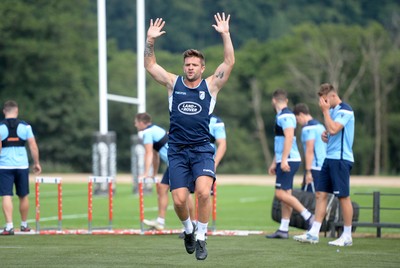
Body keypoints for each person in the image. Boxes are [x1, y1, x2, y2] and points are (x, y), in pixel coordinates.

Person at [144, 12, 234, 260]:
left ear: (202, 68)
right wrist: (150, 41)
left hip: (202, 149)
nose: (190, 68)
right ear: (183, 67)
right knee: (180, 200)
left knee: (204, 193)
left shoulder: (210, 86)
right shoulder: (174, 84)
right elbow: (150, 66)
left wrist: (225, 34)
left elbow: (228, 63)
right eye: (187, 65)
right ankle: (189, 230)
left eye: (195, 65)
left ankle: (202, 237)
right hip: (177, 151)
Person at [294, 83, 355, 246]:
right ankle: (314, 233)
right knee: (320, 194)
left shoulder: (345, 109)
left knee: (343, 196)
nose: (323, 104)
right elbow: (332, 132)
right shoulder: (333, 111)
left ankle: (347, 236)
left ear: (333, 96)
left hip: (341, 159)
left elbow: (335, 128)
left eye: (325, 100)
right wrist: (326, 135)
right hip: (329, 158)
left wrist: (326, 114)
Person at [266, 89, 314, 239]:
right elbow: (280, 142)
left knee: (279, 194)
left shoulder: (286, 115)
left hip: (289, 159)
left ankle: (309, 216)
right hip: (285, 158)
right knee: (286, 194)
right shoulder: (281, 115)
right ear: (285, 100)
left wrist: (284, 159)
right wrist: (275, 162)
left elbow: (289, 137)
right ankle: (283, 229)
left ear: (274, 101)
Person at [0, 100, 41, 235]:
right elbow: (33, 146)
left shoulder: (0, 127)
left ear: (4, 111)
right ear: (16, 111)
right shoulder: (25, 127)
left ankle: (9, 226)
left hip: (4, 166)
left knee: (6, 195)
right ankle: (24, 225)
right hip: (22, 166)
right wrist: (36, 163)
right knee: (23, 195)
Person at [134, 112, 169, 231]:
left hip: (177, 163)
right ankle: (160, 222)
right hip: (175, 162)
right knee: (163, 189)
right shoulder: (155, 129)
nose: (135, 125)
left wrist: (145, 173)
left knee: (183, 194)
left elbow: (148, 153)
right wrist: (153, 174)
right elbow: (155, 155)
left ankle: (193, 224)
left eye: (136, 122)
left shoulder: (147, 132)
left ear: (141, 122)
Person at [293, 103, 327, 193]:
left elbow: (309, 150)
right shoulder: (321, 126)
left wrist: (308, 172)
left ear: (301, 115)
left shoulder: (308, 129)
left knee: (309, 200)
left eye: (297, 119)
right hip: (324, 166)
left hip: (314, 168)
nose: (297, 122)